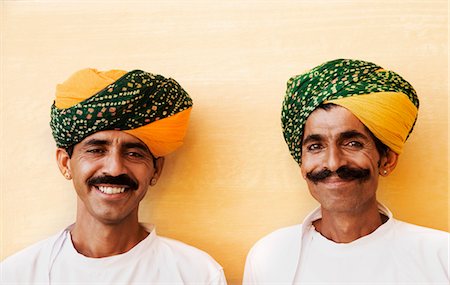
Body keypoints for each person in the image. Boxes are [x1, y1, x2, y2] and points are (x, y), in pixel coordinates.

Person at [1, 68, 226, 284]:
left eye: (133, 153)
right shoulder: (17, 276)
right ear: (65, 163)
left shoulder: (197, 274)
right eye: (96, 150)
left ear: (156, 170)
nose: (115, 168)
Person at [243, 59, 449, 284]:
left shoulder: (440, 256)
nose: (333, 163)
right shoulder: (270, 257)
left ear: (387, 160)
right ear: (302, 164)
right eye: (315, 147)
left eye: (352, 143)